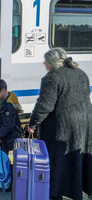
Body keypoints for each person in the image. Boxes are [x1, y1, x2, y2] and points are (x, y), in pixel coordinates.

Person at [27, 48, 92, 200]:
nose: (44, 63)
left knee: (58, 162)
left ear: (52, 63)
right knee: (77, 157)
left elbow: (44, 105)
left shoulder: (52, 77)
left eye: (46, 61)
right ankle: (78, 190)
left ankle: (56, 193)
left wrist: (33, 123)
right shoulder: (81, 73)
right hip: (85, 122)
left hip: (62, 125)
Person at [0, 79, 22, 154]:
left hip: (9, 137)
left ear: (3, 90)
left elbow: (8, 124)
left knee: (6, 156)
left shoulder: (9, 104)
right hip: (1, 133)